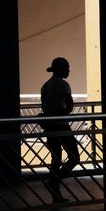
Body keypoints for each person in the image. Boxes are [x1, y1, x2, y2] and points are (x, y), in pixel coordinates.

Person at [41, 57, 80, 203]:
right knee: (74, 157)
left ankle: (55, 191)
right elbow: (69, 107)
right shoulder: (64, 85)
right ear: (60, 69)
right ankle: (54, 183)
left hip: (49, 126)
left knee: (55, 159)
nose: (69, 70)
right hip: (62, 125)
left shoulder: (45, 86)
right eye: (67, 68)